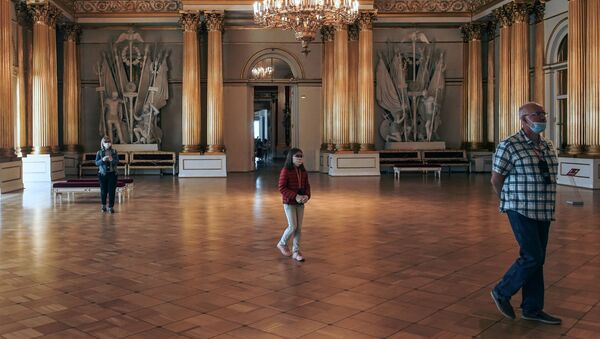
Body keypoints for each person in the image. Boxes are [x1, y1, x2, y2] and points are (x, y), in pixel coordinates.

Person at [490, 102, 561, 325]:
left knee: (537, 258)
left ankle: (532, 308)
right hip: (520, 208)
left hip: (543, 209)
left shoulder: (548, 145)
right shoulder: (509, 145)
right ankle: (502, 291)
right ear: (524, 119)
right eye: (537, 114)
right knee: (533, 256)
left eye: (543, 114)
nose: (542, 118)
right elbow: (496, 178)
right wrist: (507, 201)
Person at [276, 148, 311, 262]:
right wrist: (295, 196)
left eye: (301, 156)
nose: (300, 158)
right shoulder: (286, 170)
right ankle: (282, 243)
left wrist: (306, 196)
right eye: (297, 156)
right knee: (292, 226)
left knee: (299, 228)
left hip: (300, 203)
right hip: (289, 203)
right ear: (291, 157)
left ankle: (296, 252)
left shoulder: (303, 171)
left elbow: (307, 187)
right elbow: (282, 188)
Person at [95, 136, 120, 214]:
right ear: (102, 143)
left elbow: (117, 161)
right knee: (103, 191)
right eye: (106, 142)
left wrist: (112, 160)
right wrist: (102, 160)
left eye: (109, 142)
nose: (107, 143)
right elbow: (96, 163)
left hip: (112, 173)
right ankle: (103, 206)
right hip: (103, 174)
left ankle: (111, 207)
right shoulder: (99, 152)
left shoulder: (114, 151)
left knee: (112, 191)